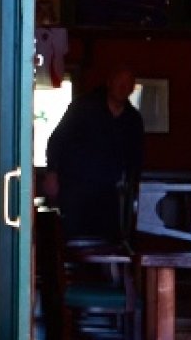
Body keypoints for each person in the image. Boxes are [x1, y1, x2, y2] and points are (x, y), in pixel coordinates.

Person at [44, 61, 145, 244]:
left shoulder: (133, 119)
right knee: (73, 242)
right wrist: (51, 173)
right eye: (120, 82)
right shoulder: (83, 107)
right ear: (109, 82)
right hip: (76, 189)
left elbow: (135, 158)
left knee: (107, 244)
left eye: (128, 84)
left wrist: (134, 187)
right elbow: (57, 140)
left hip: (109, 194)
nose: (123, 87)